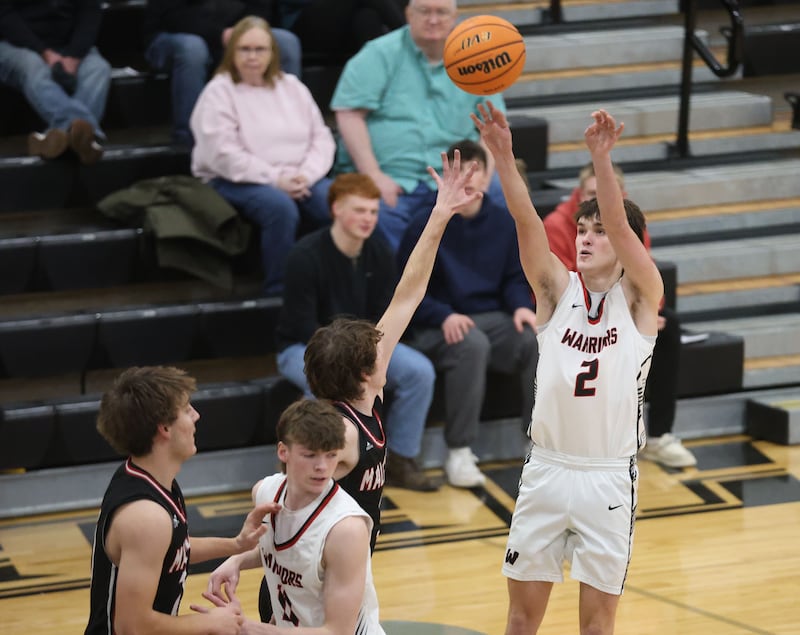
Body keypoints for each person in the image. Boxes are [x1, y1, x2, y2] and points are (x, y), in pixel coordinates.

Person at [206, 147, 482, 621]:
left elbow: (408, 294)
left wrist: (439, 215)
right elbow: (295, 528)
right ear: (364, 373)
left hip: (323, 568)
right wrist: (246, 559)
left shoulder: (363, 398)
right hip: (313, 592)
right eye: (377, 352)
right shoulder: (340, 436)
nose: (385, 350)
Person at [473, 103, 664, 635]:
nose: (585, 237)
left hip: (608, 476)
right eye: (582, 228)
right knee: (520, 618)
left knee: (598, 625)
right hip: (547, 470)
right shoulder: (556, 291)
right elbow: (526, 219)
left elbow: (626, 231)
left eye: (599, 231)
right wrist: (504, 156)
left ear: (626, 243)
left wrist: (601, 160)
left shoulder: (642, 297)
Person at [275, 172, 438, 491]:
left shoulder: (378, 250)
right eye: (359, 210)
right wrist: (347, 361)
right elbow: (301, 323)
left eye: (373, 212)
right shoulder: (304, 255)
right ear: (336, 209)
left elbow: (383, 315)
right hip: (301, 348)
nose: (368, 219)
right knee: (322, 389)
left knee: (420, 372)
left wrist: (365, 356)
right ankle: (304, 474)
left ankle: (401, 460)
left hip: (361, 347)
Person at [85, 365, 277, 635]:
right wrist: (209, 623)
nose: (196, 415)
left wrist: (236, 544)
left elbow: (173, 549)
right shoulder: (146, 516)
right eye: (187, 410)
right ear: (164, 427)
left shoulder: (150, 479)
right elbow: (132, 626)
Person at [396, 139, 538, 488]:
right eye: (461, 172)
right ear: (447, 178)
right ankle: (458, 451)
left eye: (477, 171)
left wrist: (521, 305)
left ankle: (537, 443)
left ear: (489, 178)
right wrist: (443, 315)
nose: (469, 179)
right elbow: (408, 291)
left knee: (535, 339)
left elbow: (514, 278)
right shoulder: (424, 224)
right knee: (471, 344)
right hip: (432, 326)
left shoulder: (504, 223)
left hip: (489, 318)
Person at [544, 163, 696, 468]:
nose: (599, 203)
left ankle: (659, 435)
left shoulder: (628, 227)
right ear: (578, 194)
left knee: (669, 328)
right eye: (591, 194)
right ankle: (553, 435)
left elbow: (644, 274)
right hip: (573, 313)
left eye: (606, 196)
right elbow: (566, 284)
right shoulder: (559, 224)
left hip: (621, 307)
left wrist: (648, 312)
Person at [330, 0, 507, 251]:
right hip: (391, 176)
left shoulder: (475, 60)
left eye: (441, 12)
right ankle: (405, 288)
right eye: (424, 11)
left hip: (453, 175)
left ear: (454, 17)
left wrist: (482, 177)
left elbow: (493, 127)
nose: (433, 19)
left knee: (501, 194)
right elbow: (348, 115)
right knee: (374, 210)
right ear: (408, 15)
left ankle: (485, 283)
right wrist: (373, 175)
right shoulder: (378, 54)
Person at [205, 399, 385, 634]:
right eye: (310, 455)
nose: (322, 466)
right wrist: (237, 561)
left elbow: (337, 632)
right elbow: (294, 553)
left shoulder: (346, 529)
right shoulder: (265, 492)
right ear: (283, 452)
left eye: (331, 455)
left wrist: (251, 628)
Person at [190, 15, 335, 297]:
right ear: (232, 52)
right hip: (232, 179)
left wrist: (307, 174)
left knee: (336, 203)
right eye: (245, 49)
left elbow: (321, 137)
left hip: (301, 175)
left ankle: (329, 286)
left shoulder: (291, 86)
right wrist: (276, 179)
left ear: (273, 53)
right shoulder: (218, 92)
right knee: (280, 208)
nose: (253, 57)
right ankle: (280, 291)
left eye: (260, 50)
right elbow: (223, 154)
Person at [143, 0, 302, 147]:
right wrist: (220, 35)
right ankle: (190, 141)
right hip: (173, 36)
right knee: (193, 50)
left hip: (235, 35)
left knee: (286, 43)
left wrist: (244, 33)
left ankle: (285, 132)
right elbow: (171, 17)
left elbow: (261, 7)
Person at [0, 0, 109, 164]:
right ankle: (86, 136)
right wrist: (43, 52)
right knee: (34, 67)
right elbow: (5, 16)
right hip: (17, 45)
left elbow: (90, 11)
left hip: (70, 46)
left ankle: (59, 137)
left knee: (98, 69)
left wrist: (74, 56)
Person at [275, 0, 405, 62]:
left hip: (342, 23)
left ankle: (379, 89)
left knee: (367, 17)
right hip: (302, 25)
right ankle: (412, 40)